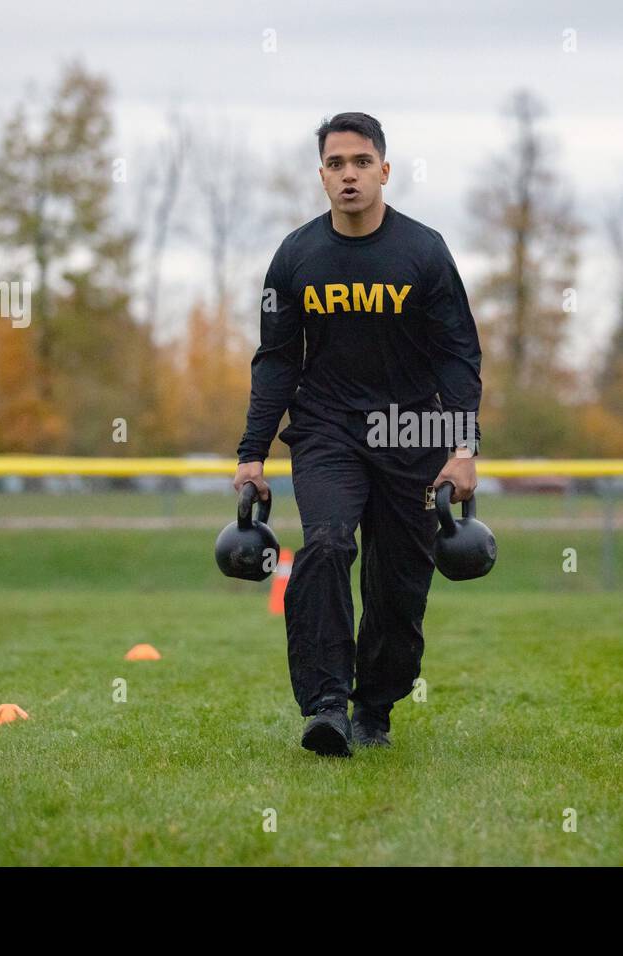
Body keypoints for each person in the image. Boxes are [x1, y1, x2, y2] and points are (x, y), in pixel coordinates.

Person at [232, 112, 482, 757]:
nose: (350, 175)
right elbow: (277, 359)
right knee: (325, 546)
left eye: (361, 162)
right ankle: (324, 706)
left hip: (415, 432)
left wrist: (462, 450)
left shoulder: (424, 252)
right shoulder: (296, 256)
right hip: (327, 430)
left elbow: (458, 355)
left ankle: (374, 705)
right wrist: (252, 454)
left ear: (384, 171)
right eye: (337, 164)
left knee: (398, 584)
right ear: (321, 176)